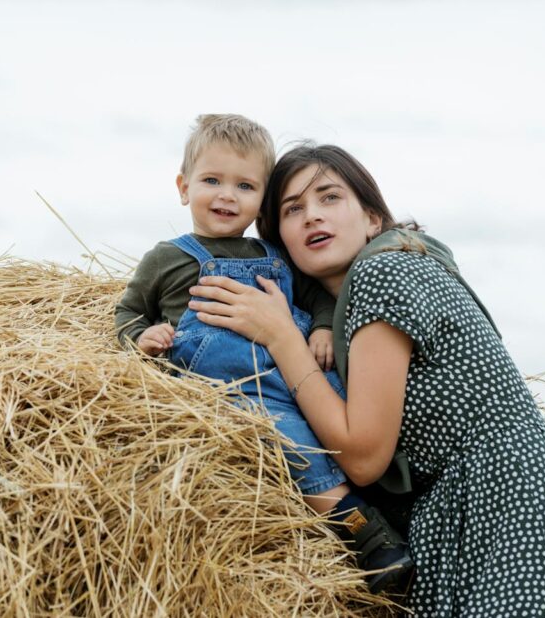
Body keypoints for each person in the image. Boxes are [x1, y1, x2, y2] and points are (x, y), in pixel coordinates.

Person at [186, 144, 545, 615]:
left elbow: (362, 455)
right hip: (460, 515)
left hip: (504, 503)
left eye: (329, 198)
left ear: (373, 219)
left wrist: (282, 338)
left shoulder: (383, 271)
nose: (311, 217)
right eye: (292, 208)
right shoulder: (349, 305)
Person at [115, 117, 412, 592]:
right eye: (212, 181)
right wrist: (143, 337)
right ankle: (367, 535)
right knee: (295, 448)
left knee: (349, 421)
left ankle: (391, 500)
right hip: (239, 390)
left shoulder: (274, 252)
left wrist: (317, 328)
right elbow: (128, 311)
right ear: (183, 186)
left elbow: (315, 299)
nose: (227, 195)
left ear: (262, 198)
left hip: (296, 373)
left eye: (246, 185)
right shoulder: (165, 258)